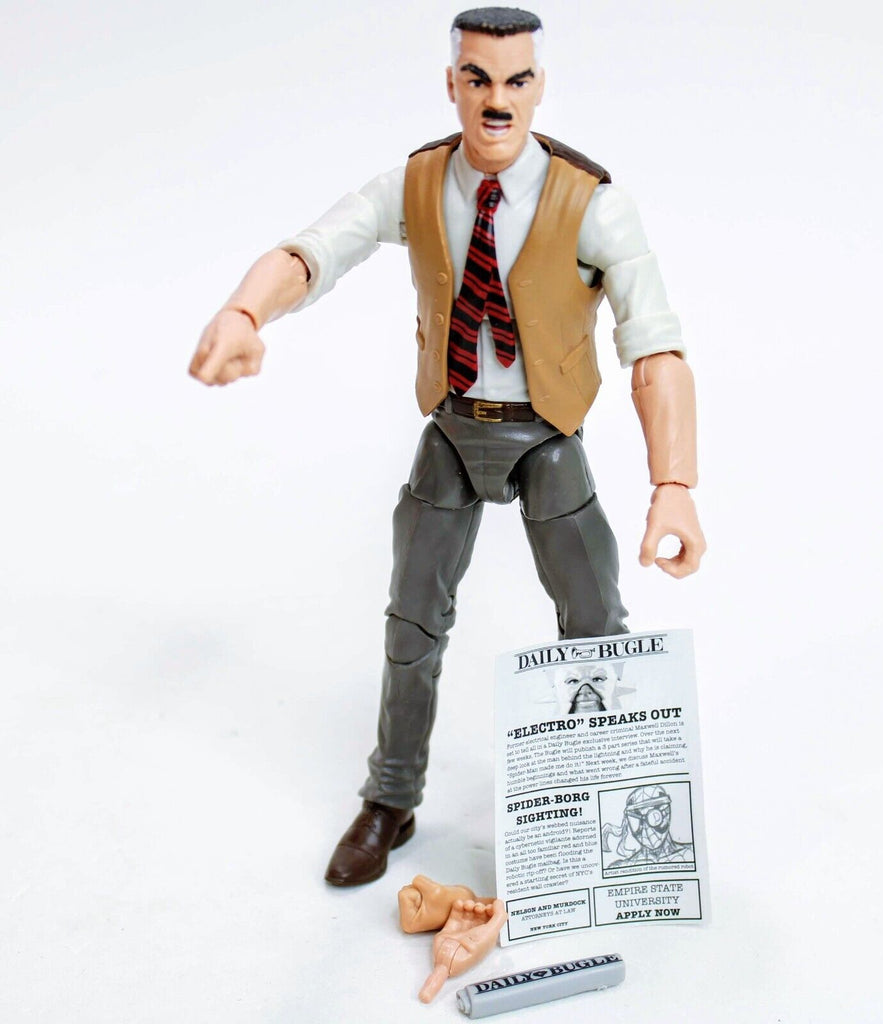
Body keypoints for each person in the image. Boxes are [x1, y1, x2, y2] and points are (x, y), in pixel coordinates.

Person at [189, 7, 706, 886]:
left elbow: (654, 346)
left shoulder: (593, 204)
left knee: (596, 628)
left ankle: (610, 810)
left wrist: (675, 483)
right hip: (454, 434)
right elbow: (318, 249)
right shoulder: (419, 186)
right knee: (413, 623)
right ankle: (390, 797)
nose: (497, 101)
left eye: (516, 80)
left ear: (538, 86)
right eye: (478, 78)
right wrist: (246, 310)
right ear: (453, 84)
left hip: (547, 437)